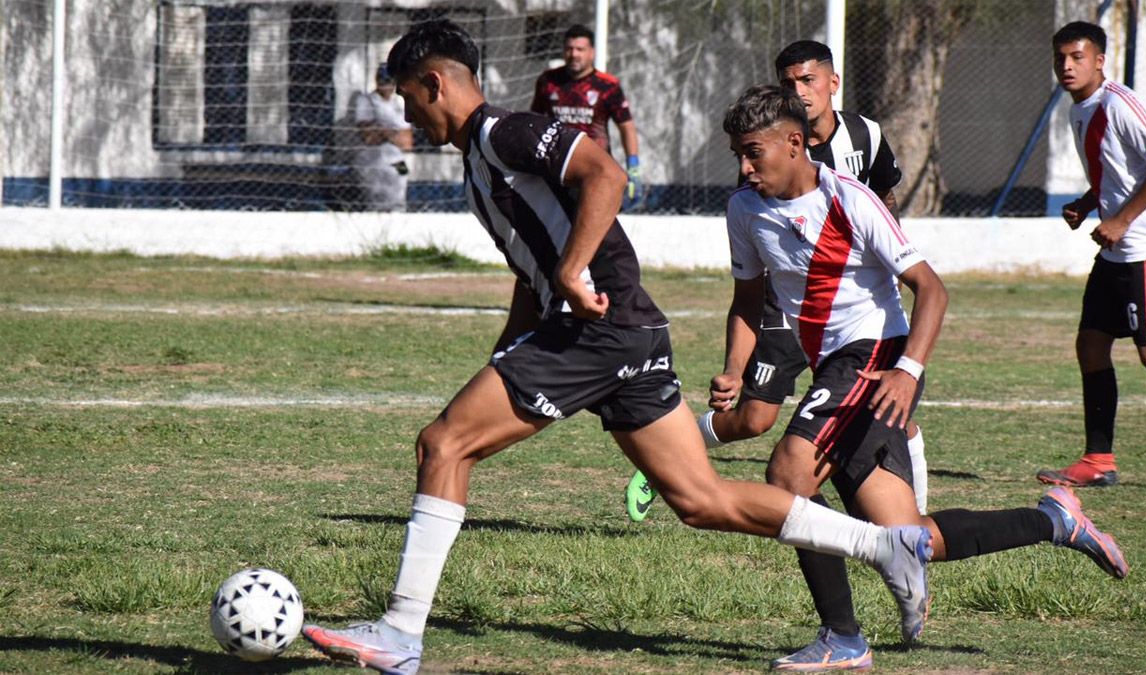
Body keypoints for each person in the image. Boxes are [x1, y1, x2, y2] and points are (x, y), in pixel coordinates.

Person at [301, 21, 937, 675]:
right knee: (701, 500)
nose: (406, 113)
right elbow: (533, 277)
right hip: (627, 329)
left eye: (407, 97)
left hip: (596, 328)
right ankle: (886, 545)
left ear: (435, 83)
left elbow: (604, 172)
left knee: (444, 443)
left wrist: (576, 270)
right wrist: (507, 350)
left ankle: (401, 631)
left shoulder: (503, 133)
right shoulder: (477, 161)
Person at [719, 85, 1128, 671]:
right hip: (836, 369)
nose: (744, 166)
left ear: (793, 141)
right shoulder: (743, 209)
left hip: (876, 358)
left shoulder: (851, 201)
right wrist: (735, 369)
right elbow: (747, 300)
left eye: (753, 151)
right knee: (909, 536)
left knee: (788, 476)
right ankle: (1055, 521)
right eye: (737, 153)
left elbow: (931, 288)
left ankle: (843, 638)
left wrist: (909, 372)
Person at [626, 40, 928, 521]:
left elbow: (885, 198)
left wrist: (882, 254)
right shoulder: (761, 160)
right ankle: (669, 460)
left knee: (892, 416)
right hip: (787, 307)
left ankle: (907, 526)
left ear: (832, 83)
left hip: (854, 313)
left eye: (808, 80)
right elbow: (752, 268)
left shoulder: (864, 136)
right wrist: (732, 364)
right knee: (754, 419)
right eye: (789, 83)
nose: (800, 91)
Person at [1037, 21, 1146, 488]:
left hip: (1144, 250)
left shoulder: (1119, 103)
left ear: (1100, 60)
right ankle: (1098, 460)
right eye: (1060, 58)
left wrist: (1122, 220)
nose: (1067, 66)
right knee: (1091, 344)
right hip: (1116, 252)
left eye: (1077, 57)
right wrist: (1087, 205)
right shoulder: (1078, 109)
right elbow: (1115, 172)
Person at [531, 23, 646, 209]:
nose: (574, 54)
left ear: (591, 52)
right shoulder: (548, 81)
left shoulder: (607, 85)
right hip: (555, 167)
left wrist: (633, 168)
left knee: (593, 228)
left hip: (594, 170)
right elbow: (535, 121)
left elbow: (627, 127)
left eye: (580, 49)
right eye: (569, 49)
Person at [355, 63, 414, 212]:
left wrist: (385, 132)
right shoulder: (367, 100)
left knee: (402, 177)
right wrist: (395, 134)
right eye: (384, 81)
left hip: (396, 156)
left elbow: (407, 143)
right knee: (378, 196)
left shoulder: (397, 105)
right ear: (377, 81)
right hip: (374, 155)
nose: (388, 86)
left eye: (390, 82)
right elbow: (368, 137)